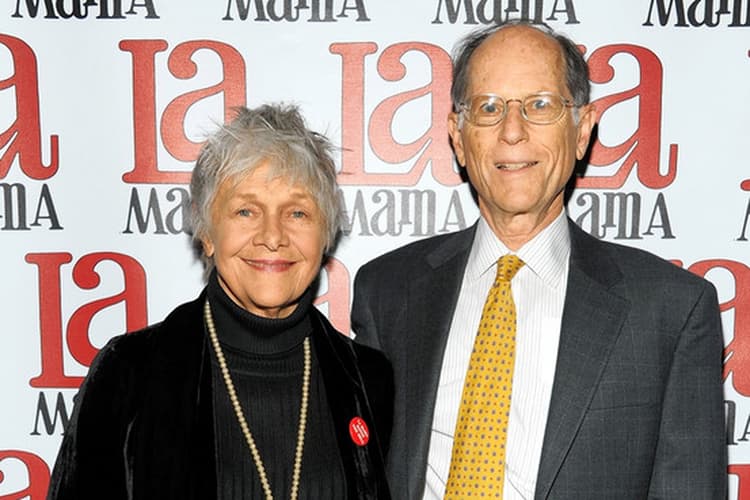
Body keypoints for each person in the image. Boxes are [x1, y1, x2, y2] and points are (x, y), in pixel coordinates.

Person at [351, 20, 726, 499]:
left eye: (540, 106)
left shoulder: (671, 311)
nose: (512, 131)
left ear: (582, 130)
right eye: (489, 108)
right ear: (459, 137)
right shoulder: (386, 290)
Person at [47, 103, 393, 500]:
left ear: (325, 234)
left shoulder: (368, 379)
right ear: (207, 231)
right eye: (246, 211)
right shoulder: (129, 373)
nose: (273, 236)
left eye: (298, 212)